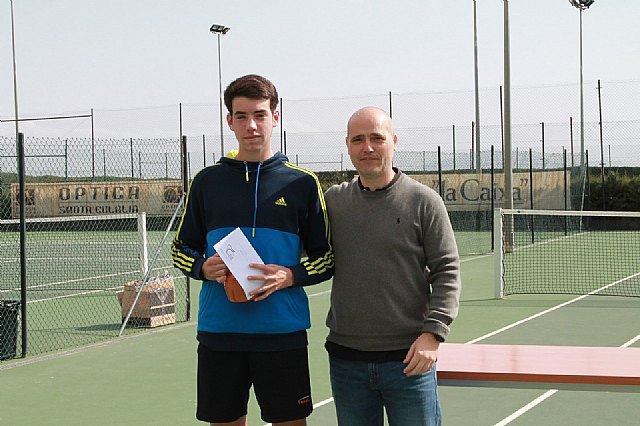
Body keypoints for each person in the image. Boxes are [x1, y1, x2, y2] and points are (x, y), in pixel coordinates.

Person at [172, 74, 334, 426]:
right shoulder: (207, 182)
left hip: (282, 333)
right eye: (242, 116)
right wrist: (202, 268)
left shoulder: (303, 183)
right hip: (220, 333)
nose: (252, 125)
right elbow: (181, 248)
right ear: (229, 121)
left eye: (260, 115)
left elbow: (326, 259)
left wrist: (289, 275)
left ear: (275, 117)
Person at [324, 107, 461, 426]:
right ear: (347, 145)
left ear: (394, 142)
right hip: (346, 362)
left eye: (377, 138)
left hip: (409, 360)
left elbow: (447, 270)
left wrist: (433, 334)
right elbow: (296, 244)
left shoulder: (424, 201)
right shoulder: (333, 201)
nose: (367, 147)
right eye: (358, 139)